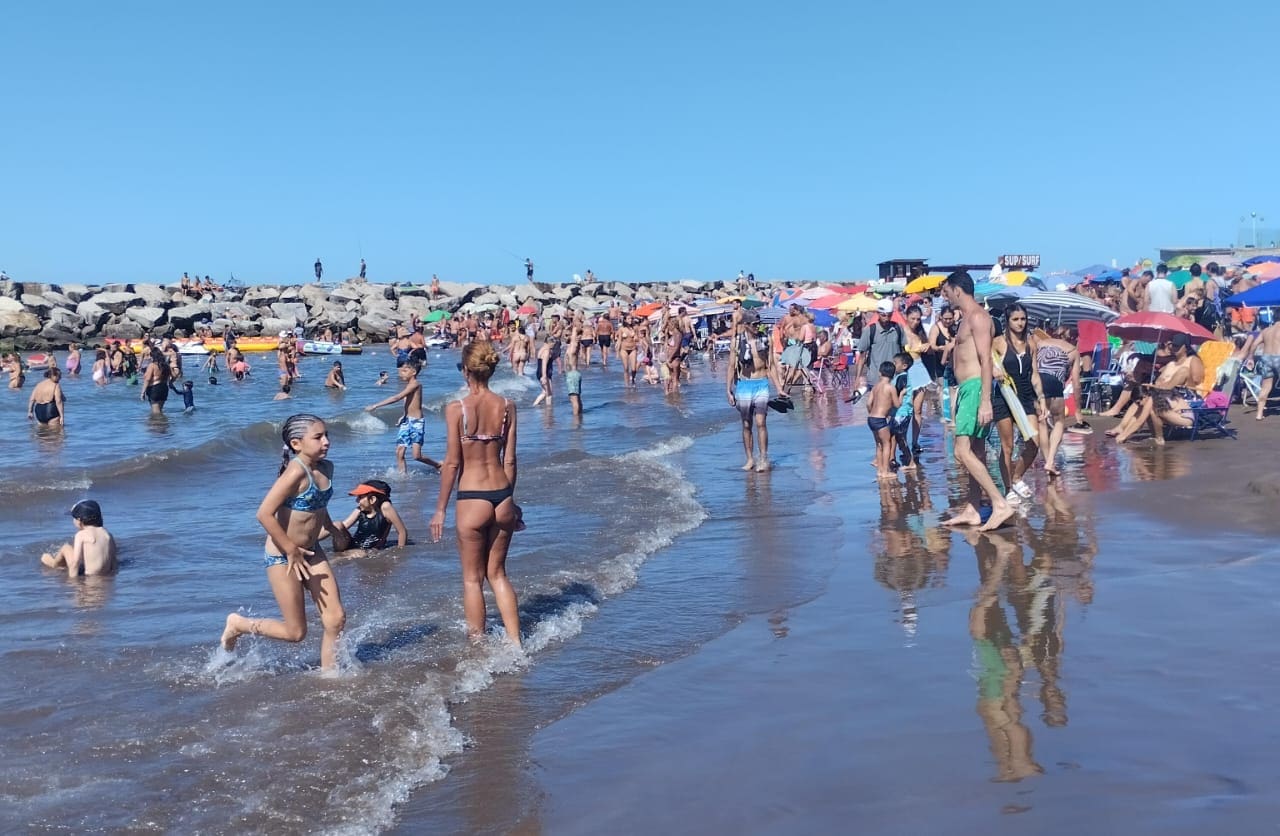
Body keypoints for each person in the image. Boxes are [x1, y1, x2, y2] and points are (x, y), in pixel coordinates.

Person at [220, 414, 347, 669]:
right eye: (318, 437)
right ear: (296, 443)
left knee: (335, 619)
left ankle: (330, 678)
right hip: (282, 555)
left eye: (327, 435)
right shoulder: (295, 472)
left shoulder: (326, 468)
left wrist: (331, 528)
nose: (326, 442)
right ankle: (238, 624)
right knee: (295, 632)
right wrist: (290, 549)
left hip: (312, 551)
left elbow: (318, 505)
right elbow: (264, 514)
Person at [431, 341, 522, 646]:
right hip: (501, 494)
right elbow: (509, 459)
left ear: (467, 371)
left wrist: (441, 509)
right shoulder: (507, 406)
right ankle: (516, 644)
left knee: (472, 579)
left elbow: (453, 463)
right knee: (498, 575)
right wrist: (511, 501)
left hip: (472, 498)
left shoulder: (457, 409)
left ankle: (478, 647)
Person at [940, 271, 1014, 531]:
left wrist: (985, 401)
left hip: (974, 389)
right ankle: (973, 508)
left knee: (962, 451)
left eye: (946, 291)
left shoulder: (979, 317)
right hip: (966, 390)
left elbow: (986, 360)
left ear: (958, 290)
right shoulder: (965, 319)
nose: (944, 296)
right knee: (977, 451)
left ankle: (999, 503)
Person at [991, 303, 1047, 503]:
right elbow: (985, 360)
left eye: (1023, 319)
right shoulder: (998, 342)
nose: (1020, 323)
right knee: (1007, 446)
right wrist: (993, 369)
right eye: (1015, 319)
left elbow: (1035, 375)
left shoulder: (1032, 343)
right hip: (1005, 396)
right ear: (1007, 321)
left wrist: (1042, 400)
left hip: (1025, 395)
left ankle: (1017, 477)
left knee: (1034, 442)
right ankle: (1008, 488)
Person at [726, 309, 784, 472]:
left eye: (759, 324)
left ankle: (764, 458)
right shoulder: (737, 342)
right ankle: (750, 458)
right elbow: (731, 366)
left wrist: (779, 388)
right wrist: (728, 390)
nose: (757, 327)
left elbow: (771, 366)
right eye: (754, 324)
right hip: (744, 385)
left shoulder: (766, 339)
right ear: (745, 325)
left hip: (761, 384)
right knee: (746, 424)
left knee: (761, 422)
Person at [365, 361, 442, 472]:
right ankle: (403, 477)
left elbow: (397, 398)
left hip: (416, 422)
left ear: (414, 372)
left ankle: (438, 465)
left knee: (416, 456)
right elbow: (408, 403)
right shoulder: (408, 386)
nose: (402, 373)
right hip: (407, 421)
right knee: (399, 452)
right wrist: (404, 415)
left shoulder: (415, 384)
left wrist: (375, 405)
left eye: (405, 371)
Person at [849, 298, 905, 403]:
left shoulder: (898, 328)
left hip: (895, 378)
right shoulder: (870, 330)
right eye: (884, 315)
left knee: (894, 410)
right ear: (878, 313)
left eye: (889, 315)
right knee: (878, 410)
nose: (887, 318)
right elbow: (862, 357)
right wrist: (857, 379)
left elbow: (903, 352)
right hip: (876, 378)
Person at [41, 500, 117, 576]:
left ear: (79, 520)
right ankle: (61, 566)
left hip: (88, 575)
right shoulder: (108, 535)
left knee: (66, 548)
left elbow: (75, 563)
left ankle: (54, 563)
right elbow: (114, 562)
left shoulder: (81, 535)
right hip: (104, 575)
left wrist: (74, 583)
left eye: (74, 518)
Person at [330, 480, 409, 552]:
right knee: (337, 525)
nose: (357, 500)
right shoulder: (360, 509)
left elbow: (402, 532)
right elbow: (344, 525)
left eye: (360, 497)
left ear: (372, 500)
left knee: (350, 556)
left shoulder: (386, 507)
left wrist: (400, 552)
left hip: (371, 549)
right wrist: (318, 537)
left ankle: (338, 557)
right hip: (353, 544)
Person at [866, 361, 902, 479]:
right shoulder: (890, 388)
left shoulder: (875, 387)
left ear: (879, 373)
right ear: (893, 375)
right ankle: (885, 471)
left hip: (871, 418)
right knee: (887, 444)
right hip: (881, 420)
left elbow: (868, 403)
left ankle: (880, 471)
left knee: (878, 445)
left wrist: (872, 413)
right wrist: (901, 394)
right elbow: (897, 405)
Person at [1252, 319, 1280, 421]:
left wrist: (1250, 357)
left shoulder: (1266, 331)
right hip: (1278, 357)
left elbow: (1254, 344)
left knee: (1265, 387)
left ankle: (1259, 414)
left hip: (1266, 358)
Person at [141, 347, 171, 414]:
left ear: (153, 356)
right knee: (160, 410)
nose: (149, 358)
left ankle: (158, 423)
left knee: (156, 413)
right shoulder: (166, 365)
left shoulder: (152, 365)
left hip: (154, 388)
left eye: (150, 356)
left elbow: (147, 379)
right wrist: (171, 383)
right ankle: (163, 424)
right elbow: (173, 376)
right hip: (164, 388)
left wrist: (143, 392)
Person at [532, 338, 556, 406]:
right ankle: (549, 409)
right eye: (553, 345)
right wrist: (544, 376)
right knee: (549, 393)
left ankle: (535, 405)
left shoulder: (542, 349)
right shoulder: (546, 351)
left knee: (545, 392)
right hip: (544, 373)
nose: (553, 346)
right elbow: (544, 364)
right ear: (549, 343)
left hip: (541, 372)